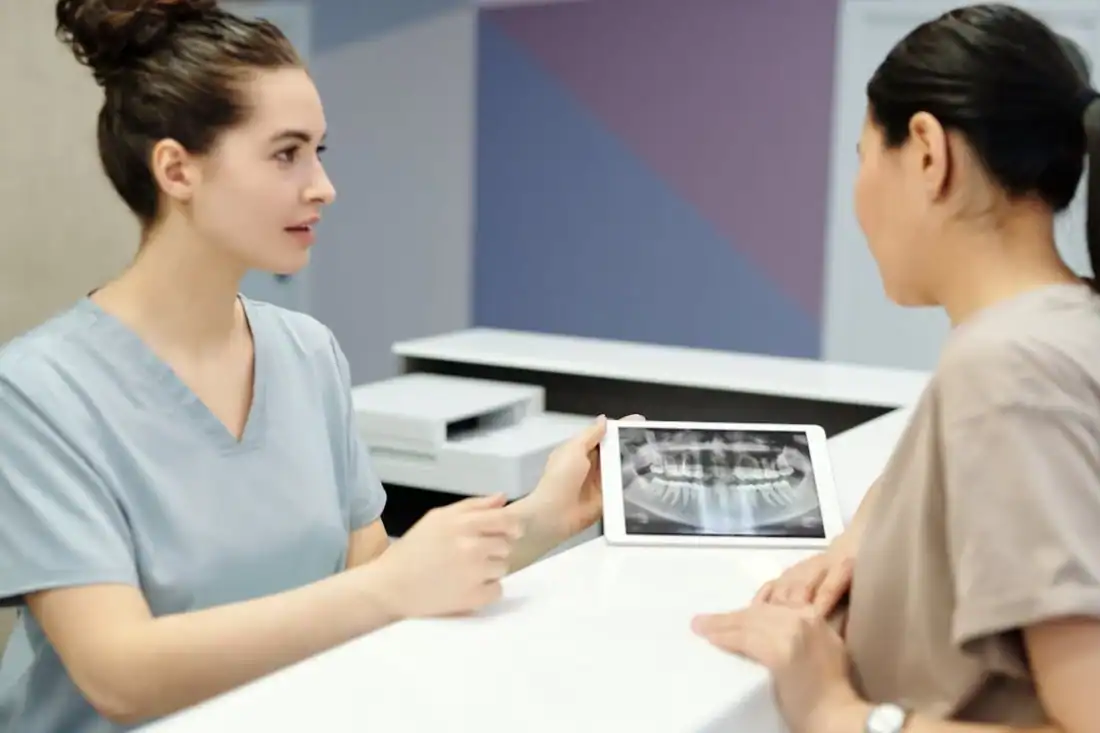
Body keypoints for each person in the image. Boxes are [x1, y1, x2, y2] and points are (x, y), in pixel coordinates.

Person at [0, 1, 622, 731]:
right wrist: (390, 586)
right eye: (286, 153)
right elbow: (120, 674)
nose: (322, 186)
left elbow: (373, 582)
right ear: (177, 168)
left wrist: (543, 519)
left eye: (319, 152)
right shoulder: (39, 391)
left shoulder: (306, 353)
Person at [691, 4, 1100, 733]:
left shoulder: (1007, 369)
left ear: (925, 151)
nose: (859, 198)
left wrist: (842, 712)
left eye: (862, 157)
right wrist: (866, 539)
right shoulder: (1062, 327)